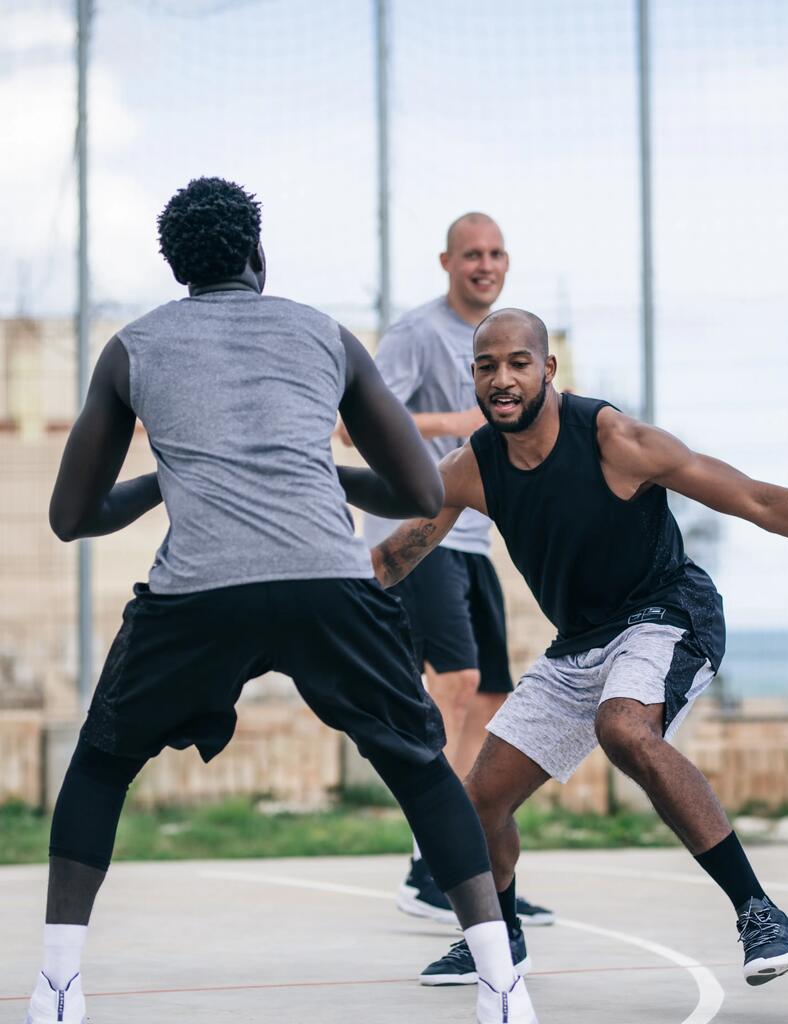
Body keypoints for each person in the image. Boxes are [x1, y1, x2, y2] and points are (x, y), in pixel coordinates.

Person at [25, 179, 538, 1024]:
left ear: (177, 267)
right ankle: (502, 986)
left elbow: (70, 516)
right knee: (418, 764)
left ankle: (57, 987)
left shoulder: (133, 348)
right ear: (258, 256)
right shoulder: (323, 333)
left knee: (102, 761)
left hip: (199, 595)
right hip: (327, 585)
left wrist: (169, 476)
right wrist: (309, 470)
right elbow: (417, 488)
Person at [370, 307, 788, 990]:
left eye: (517, 363)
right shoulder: (471, 468)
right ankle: (499, 938)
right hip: (579, 643)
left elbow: (757, 499)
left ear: (548, 369)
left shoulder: (614, 440)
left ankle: (759, 913)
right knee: (478, 803)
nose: (502, 379)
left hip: (668, 613)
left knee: (624, 726)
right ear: (473, 380)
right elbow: (393, 559)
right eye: (486, 367)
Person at [353, 213, 553, 932]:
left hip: (473, 537)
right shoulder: (416, 333)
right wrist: (466, 422)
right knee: (456, 683)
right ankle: (429, 863)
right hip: (415, 532)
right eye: (472, 253)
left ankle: (468, 852)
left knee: (494, 695)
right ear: (447, 261)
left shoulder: (507, 343)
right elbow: (359, 422)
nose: (485, 263)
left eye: (497, 252)